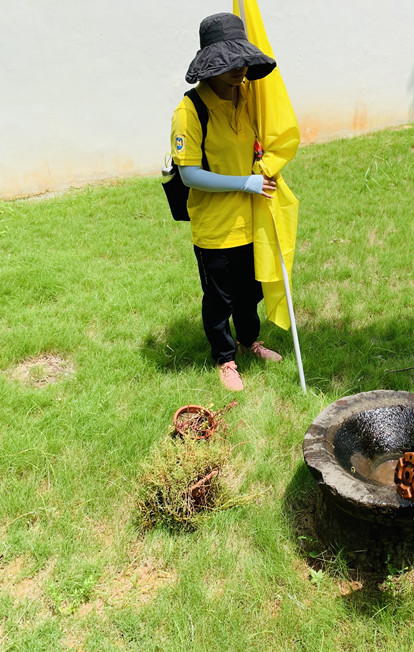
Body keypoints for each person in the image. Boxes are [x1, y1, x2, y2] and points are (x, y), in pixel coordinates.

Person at [171, 13, 283, 391]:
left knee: (250, 291)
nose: (240, 69)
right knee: (219, 298)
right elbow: (188, 175)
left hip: (252, 218)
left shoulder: (249, 97)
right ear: (211, 65)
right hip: (215, 225)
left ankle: (250, 341)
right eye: (230, 63)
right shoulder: (190, 111)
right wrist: (244, 182)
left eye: (243, 61)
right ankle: (225, 359)